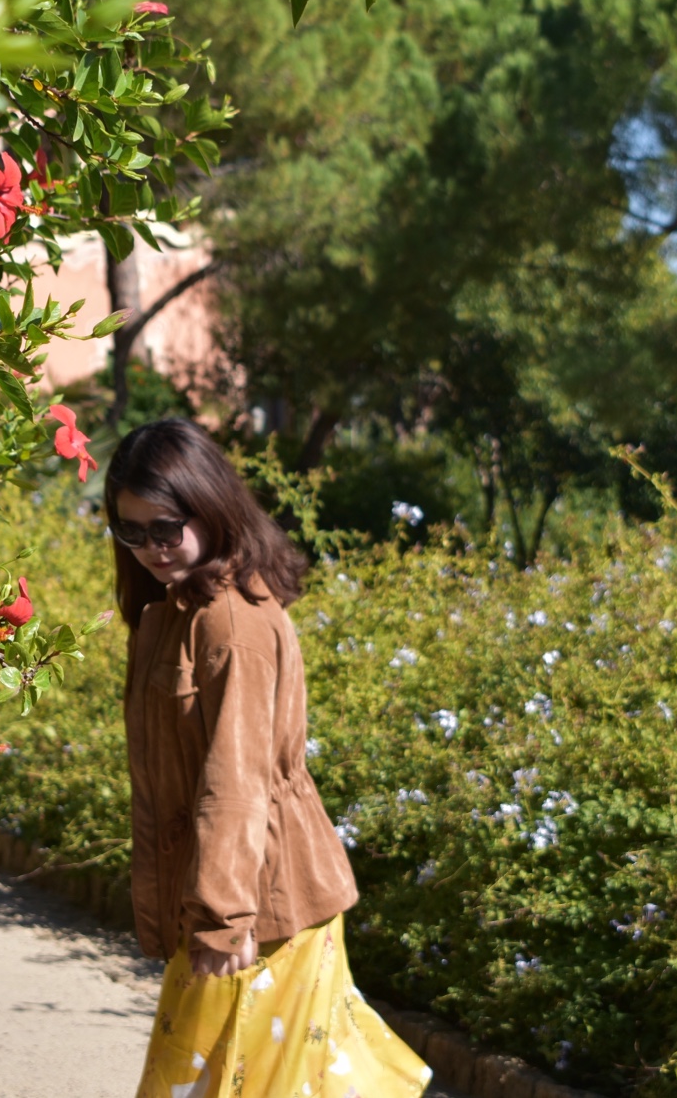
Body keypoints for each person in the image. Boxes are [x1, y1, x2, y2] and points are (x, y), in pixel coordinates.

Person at [107, 419, 432, 1098]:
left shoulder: (231, 622)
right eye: (130, 531)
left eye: (164, 527)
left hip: (260, 909)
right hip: (229, 899)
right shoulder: (176, 611)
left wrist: (224, 919)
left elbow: (236, 780)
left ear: (212, 507)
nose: (150, 548)